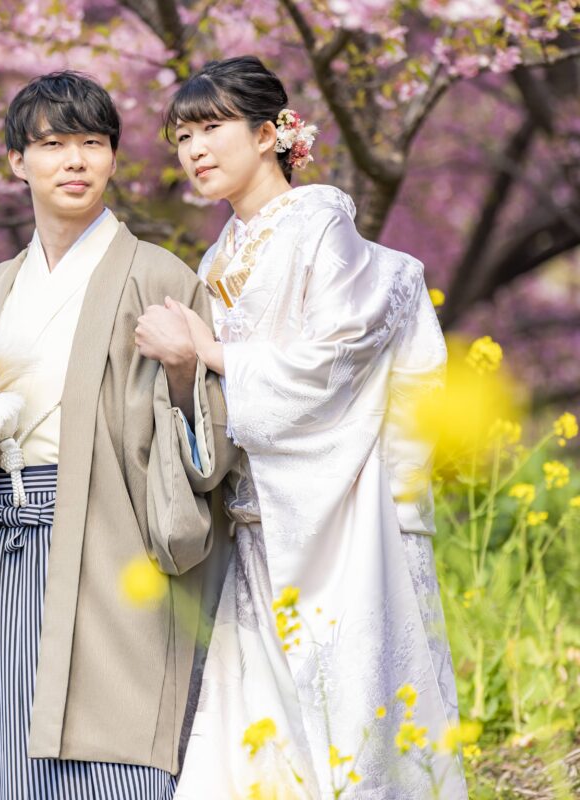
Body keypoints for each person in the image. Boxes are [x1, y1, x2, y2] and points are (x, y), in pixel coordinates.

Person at [0, 71, 236, 797]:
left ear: (113, 157)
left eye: (92, 143)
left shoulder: (157, 277)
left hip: (111, 545)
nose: (75, 161)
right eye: (53, 144)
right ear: (16, 162)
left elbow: (211, 447)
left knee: (109, 749)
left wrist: (187, 370)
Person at [159, 56, 466, 798]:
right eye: (182, 136)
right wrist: (186, 369)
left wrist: (213, 353)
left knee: (349, 707)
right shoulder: (219, 254)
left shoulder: (321, 222)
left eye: (212, 128)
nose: (195, 150)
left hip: (341, 507)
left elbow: (338, 357)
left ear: (269, 135)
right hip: (261, 511)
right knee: (265, 722)